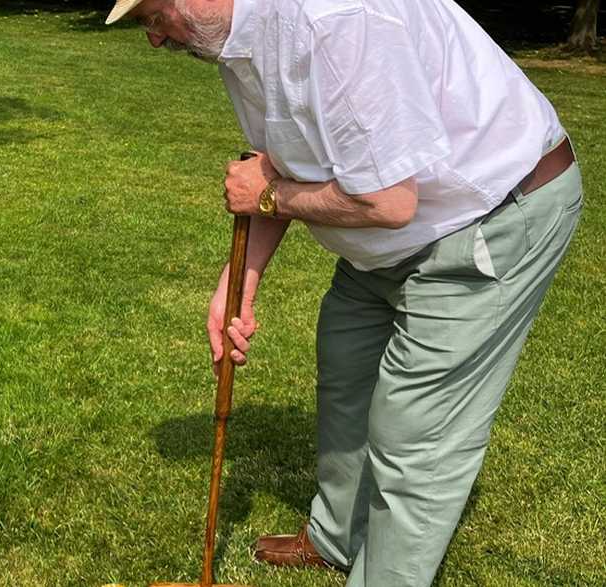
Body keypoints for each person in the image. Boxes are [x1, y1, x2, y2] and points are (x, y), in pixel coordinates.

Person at [104, 0, 584, 585]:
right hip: (384, 238)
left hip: (486, 213)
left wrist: (270, 196)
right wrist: (237, 285)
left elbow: (386, 200)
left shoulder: (339, 19)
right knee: (346, 372)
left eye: (153, 17)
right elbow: (279, 167)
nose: (155, 39)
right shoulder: (237, 42)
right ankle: (336, 538)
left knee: (416, 437)